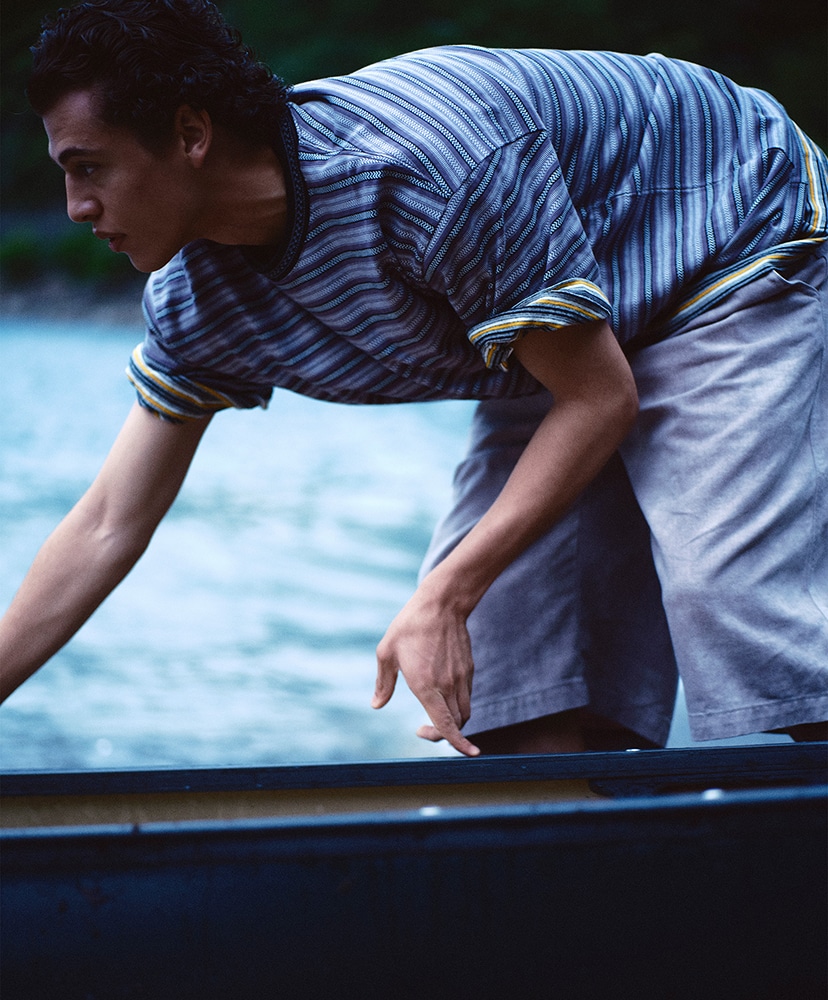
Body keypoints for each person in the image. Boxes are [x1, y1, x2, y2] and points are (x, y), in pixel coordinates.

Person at [1, 0, 826, 755]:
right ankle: (583, 886)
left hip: (730, 232)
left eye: (90, 167)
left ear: (189, 134)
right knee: (516, 665)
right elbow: (110, 519)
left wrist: (449, 589)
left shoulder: (424, 175)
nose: (75, 205)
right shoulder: (198, 299)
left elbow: (599, 398)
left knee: (736, 604)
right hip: (557, 332)